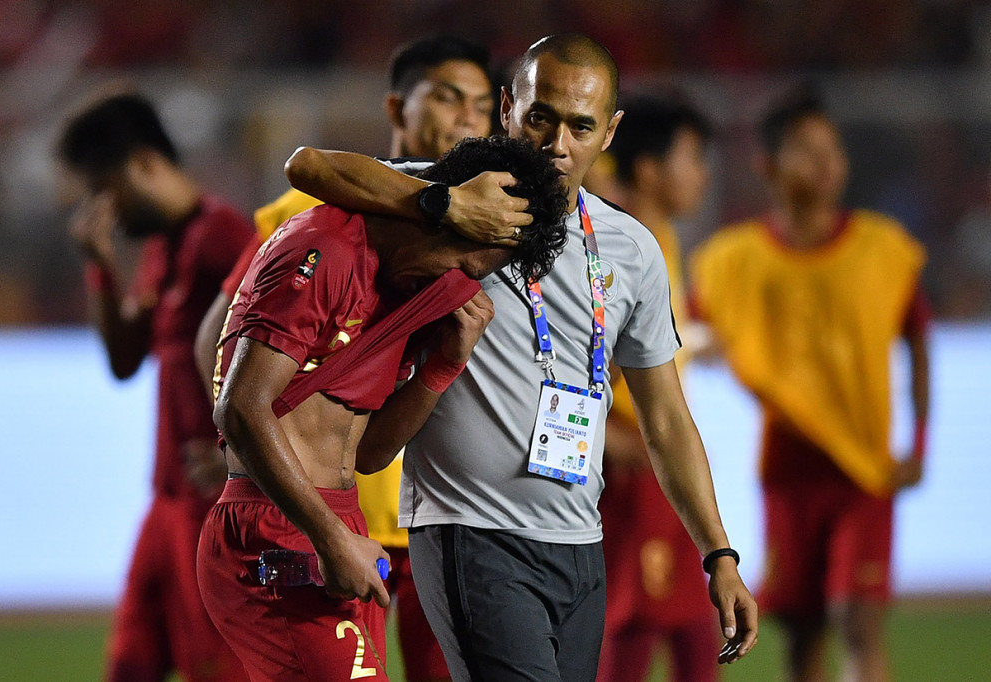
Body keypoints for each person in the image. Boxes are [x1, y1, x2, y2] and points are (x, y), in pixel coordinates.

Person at [284, 33, 758, 682]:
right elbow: (309, 167)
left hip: (579, 543)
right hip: (470, 531)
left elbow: (667, 419)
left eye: (581, 126)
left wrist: (720, 554)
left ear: (610, 132)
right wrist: (441, 203)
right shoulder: (457, 193)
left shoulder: (631, 249)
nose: (557, 144)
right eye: (541, 117)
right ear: (508, 108)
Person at [197, 135, 569, 682]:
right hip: (276, 528)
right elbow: (241, 409)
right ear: (449, 213)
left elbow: (369, 453)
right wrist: (330, 538)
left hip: (341, 523)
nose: (459, 283)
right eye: (464, 260)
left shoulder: (410, 289)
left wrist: (443, 365)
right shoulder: (326, 249)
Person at [192, 36, 497, 682]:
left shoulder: (436, 282)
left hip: (401, 519)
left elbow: (368, 446)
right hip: (302, 519)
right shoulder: (318, 223)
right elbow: (225, 359)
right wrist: (237, 445)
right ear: (398, 106)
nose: (467, 117)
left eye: (481, 105)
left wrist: (443, 365)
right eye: (448, 97)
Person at [689, 87, 930, 682]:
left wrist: (919, 443)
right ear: (767, 164)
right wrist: (706, 345)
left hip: (862, 468)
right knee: (799, 636)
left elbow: (919, 339)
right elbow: (682, 333)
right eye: (807, 150)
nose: (828, 163)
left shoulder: (882, 248)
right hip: (786, 471)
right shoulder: (732, 261)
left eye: (835, 149)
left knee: (858, 621)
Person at [58, 92, 252, 681]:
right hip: (166, 500)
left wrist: (239, 461)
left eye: (101, 184)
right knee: (131, 665)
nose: (98, 204)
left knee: (215, 669)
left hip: (211, 503)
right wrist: (100, 265)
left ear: (144, 164)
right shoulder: (162, 250)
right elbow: (123, 362)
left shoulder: (224, 236)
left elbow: (285, 353)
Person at [593, 93, 720, 682]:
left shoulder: (660, 237)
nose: (703, 174)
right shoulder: (616, 239)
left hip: (654, 458)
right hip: (629, 462)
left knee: (694, 623)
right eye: (691, 158)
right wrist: (606, 441)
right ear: (648, 168)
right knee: (637, 623)